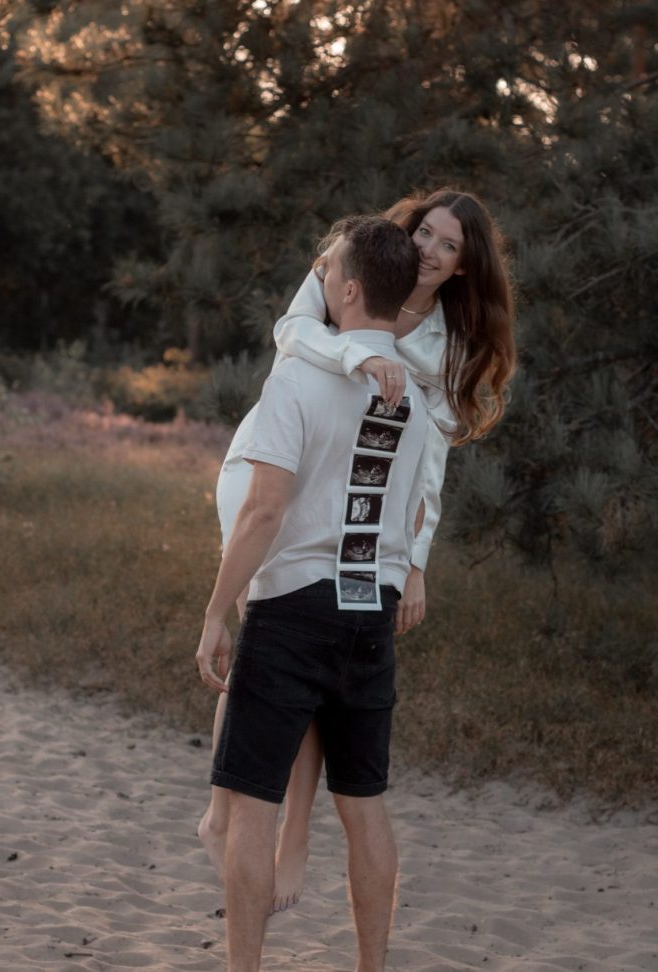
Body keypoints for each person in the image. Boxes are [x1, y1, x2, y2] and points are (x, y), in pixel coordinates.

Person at [199, 188, 516, 912]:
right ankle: (222, 816)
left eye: (449, 247)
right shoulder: (354, 263)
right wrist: (355, 356)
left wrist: (416, 560)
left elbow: (429, 460)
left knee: (315, 660)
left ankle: (295, 839)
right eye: (426, 233)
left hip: (367, 501)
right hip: (274, 461)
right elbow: (289, 333)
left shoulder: (446, 337)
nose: (429, 251)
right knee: (267, 635)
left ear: (465, 267)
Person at [196, 214, 427, 972]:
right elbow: (416, 510)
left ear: (351, 289)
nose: (319, 278)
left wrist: (214, 611)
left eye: (329, 271)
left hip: (292, 608)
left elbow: (265, 510)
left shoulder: (298, 377)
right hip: (372, 613)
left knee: (251, 809)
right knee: (365, 809)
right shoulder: (417, 403)